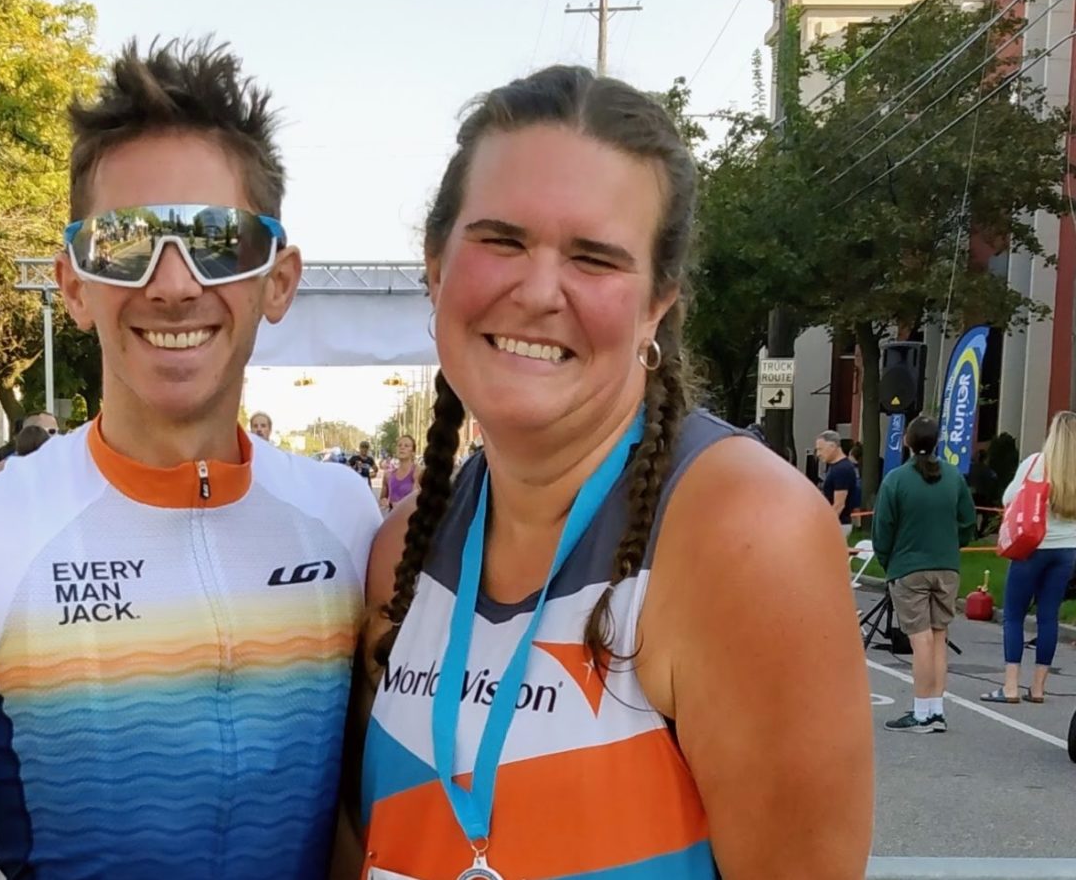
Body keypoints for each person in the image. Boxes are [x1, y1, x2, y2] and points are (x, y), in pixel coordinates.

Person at [0, 36, 381, 879]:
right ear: (72, 284)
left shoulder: (350, 524)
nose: (173, 283)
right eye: (126, 244)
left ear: (277, 280)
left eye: (218, 239)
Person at [349, 67, 872, 880]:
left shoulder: (743, 535)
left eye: (594, 258)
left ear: (657, 303)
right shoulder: (401, 553)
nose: (539, 290)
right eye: (501, 239)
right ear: (435, 264)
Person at [871, 415, 975, 732]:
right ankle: (936, 709)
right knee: (939, 637)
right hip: (946, 566)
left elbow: (882, 530)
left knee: (921, 641)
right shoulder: (953, 477)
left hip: (908, 566)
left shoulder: (896, 480)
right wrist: (953, 545)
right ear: (936, 442)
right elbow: (968, 521)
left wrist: (889, 563)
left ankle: (920, 711)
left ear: (907, 440)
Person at [983, 411, 1076, 705]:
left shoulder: (1035, 463)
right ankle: (1038, 687)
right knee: (1048, 616)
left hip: (1033, 545)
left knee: (1014, 614)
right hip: (1068, 550)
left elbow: (1009, 498)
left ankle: (1010, 686)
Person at [816, 430, 861, 536]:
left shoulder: (842, 469)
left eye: (820, 449)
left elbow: (839, 504)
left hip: (838, 524)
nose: (818, 454)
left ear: (832, 446)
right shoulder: (836, 467)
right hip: (837, 523)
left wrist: (825, 526)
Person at [378, 434, 419, 514]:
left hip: (412, 521)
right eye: (399, 445)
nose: (402, 447)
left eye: (406, 446)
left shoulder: (417, 471)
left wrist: (397, 505)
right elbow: (382, 500)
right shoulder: (388, 475)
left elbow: (417, 501)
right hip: (394, 519)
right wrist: (384, 501)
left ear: (413, 452)